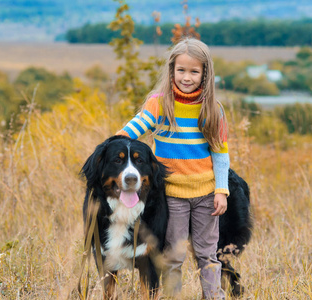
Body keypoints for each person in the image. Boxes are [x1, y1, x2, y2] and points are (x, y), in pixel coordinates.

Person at [116, 37, 229, 299]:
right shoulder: (159, 103)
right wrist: (113, 144)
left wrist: (221, 190)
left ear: (205, 74)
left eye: (194, 71)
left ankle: (213, 296)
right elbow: (133, 130)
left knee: (207, 253)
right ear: (171, 70)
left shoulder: (213, 109)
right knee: (173, 254)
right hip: (171, 195)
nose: (186, 77)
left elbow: (221, 154)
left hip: (206, 195)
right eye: (181, 70)